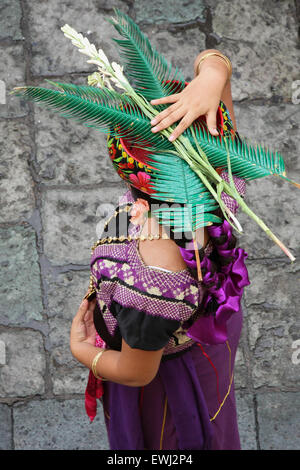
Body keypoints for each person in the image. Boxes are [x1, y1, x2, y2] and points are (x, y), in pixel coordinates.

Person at [69, 49, 250, 450]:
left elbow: (136, 373)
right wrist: (212, 74)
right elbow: (213, 65)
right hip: (208, 343)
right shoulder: (223, 180)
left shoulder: (153, 276)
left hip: (167, 385)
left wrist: (84, 352)